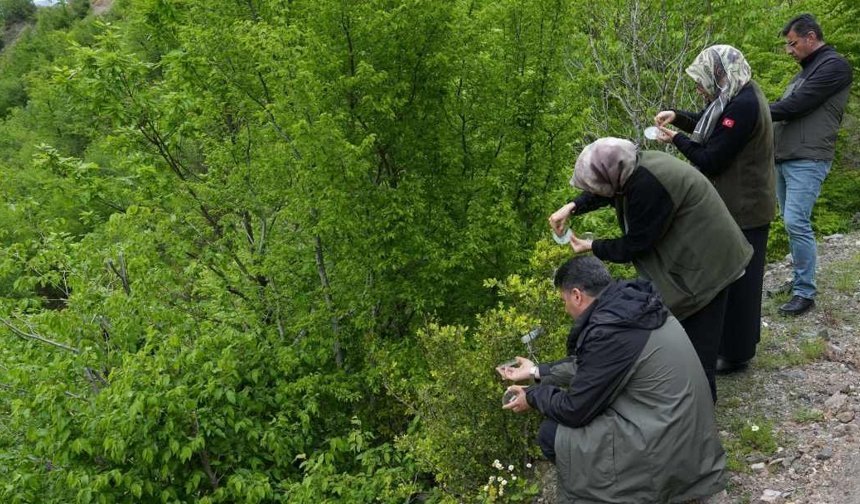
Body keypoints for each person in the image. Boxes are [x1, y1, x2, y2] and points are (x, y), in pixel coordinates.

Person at [499, 256, 726, 503]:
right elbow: (594, 366)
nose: (565, 309)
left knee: (552, 434)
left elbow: (574, 410)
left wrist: (532, 397)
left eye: (564, 301)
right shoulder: (634, 308)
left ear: (577, 295)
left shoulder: (611, 329)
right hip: (688, 438)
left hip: (667, 451)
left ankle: (619, 493)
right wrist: (535, 372)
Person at [548, 138, 752, 400]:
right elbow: (607, 190)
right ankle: (689, 402)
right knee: (687, 335)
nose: (597, 189)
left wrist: (593, 245)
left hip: (707, 262)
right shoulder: (633, 166)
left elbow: (638, 243)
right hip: (699, 252)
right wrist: (572, 206)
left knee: (697, 344)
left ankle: (701, 412)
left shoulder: (648, 185)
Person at [653, 45, 776, 374]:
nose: (699, 88)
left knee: (740, 282)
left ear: (719, 73)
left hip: (745, 207)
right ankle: (733, 346)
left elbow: (711, 158)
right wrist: (677, 117)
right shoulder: (737, 94)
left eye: (701, 80)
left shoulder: (745, 104)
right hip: (741, 205)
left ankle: (736, 353)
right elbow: (714, 127)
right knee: (736, 279)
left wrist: (675, 140)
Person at [769, 13, 853, 316]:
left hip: (808, 158)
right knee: (791, 223)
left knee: (795, 221)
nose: (789, 51)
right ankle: (799, 279)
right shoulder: (805, 71)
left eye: (792, 44)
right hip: (787, 156)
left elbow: (796, 106)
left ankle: (805, 293)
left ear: (811, 37)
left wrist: (752, 112)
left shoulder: (834, 66)